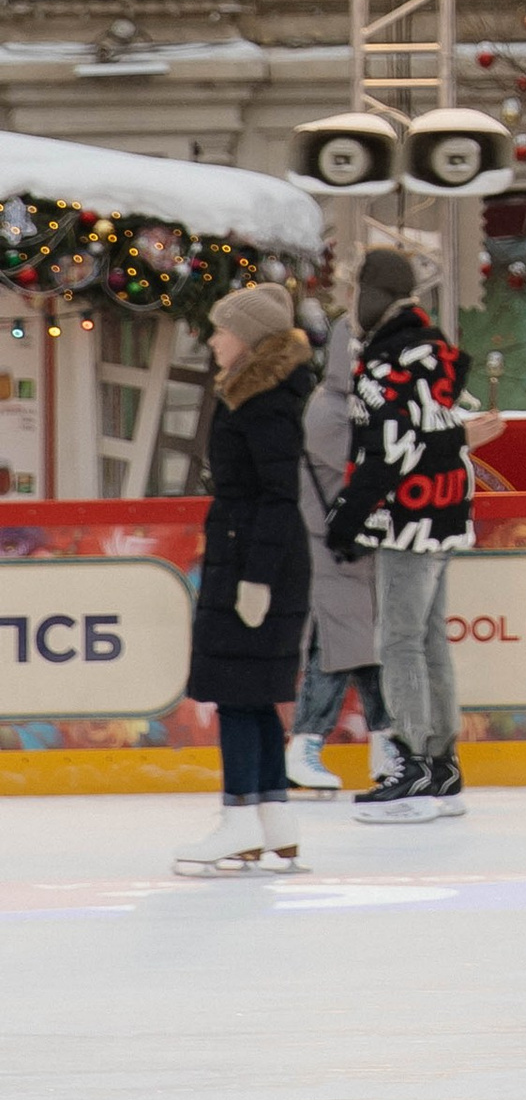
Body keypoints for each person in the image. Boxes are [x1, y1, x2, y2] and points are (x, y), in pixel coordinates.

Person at [173, 284, 318, 880]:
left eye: (221, 331)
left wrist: (255, 578)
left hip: (257, 564)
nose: (212, 340)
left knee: (237, 693)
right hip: (252, 558)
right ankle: (274, 819)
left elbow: (278, 496)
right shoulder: (256, 397)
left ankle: (238, 820)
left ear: (250, 340)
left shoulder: (265, 404)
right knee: (253, 692)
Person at [326, 245, 473, 824]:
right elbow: (436, 429)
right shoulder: (432, 350)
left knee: (400, 641)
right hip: (446, 508)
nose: (349, 305)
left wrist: (348, 519)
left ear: (374, 297)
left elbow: (385, 454)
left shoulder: (386, 364)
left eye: (353, 293)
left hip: (409, 514)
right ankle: (441, 760)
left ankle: (413, 760)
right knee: (429, 636)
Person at [284, 301, 388, 794]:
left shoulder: (360, 404)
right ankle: (307, 743)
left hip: (351, 548)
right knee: (340, 648)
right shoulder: (328, 409)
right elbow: (371, 463)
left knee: (364, 649)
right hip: (330, 548)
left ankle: (383, 743)